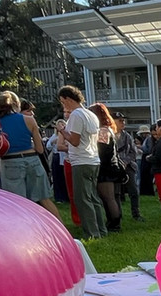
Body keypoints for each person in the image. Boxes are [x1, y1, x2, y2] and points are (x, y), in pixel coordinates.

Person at [0, 91, 62, 220]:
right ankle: (63, 231)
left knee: (18, 202)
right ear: (16, 105)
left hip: (10, 162)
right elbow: (40, 149)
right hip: (33, 161)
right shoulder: (29, 120)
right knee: (44, 199)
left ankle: (25, 233)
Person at [57, 85, 107, 239]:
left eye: (62, 101)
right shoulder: (90, 114)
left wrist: (62, 130)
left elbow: (74, 140)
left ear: (67, 99)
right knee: (93, 197)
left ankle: (92, 233)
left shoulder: (76, 115)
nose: (63, 105)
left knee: (82, 199)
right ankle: (101, 229)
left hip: (81, 161)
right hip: (93, 160)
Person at [87, 102, 123, 232]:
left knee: (109, 198)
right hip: (110, 166)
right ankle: (113, 221)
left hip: (106, 167)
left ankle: (114, 223)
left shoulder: (103, 131)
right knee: (109, 198)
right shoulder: (108, 129)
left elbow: (102, 150)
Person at [112, 112, 143, 221]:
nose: (123, 123)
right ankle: (117, 215)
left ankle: (136, 214)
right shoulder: (108, 135)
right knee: (116, 193)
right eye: (120, 120)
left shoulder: (127, 136)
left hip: (128, 166)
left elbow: (133, 152)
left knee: (133, 191)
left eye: (123, 120)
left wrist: (125, 162)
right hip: (114, 167)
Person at [138, 124, 156, 198]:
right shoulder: (147, 139)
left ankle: (147, 191)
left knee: (146, 174)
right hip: (145, 157)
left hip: (147, 157)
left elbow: (149, 149)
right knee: (144, 175)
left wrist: (140, 147)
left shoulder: (148, 139)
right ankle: (145, 191)